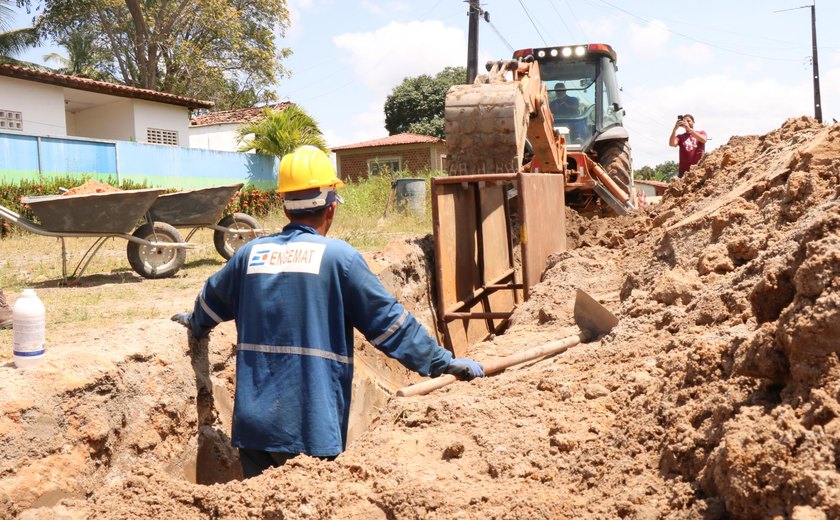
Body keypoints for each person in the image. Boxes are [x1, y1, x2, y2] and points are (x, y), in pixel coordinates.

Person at [171, 145, 484, 479]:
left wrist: (196, 325)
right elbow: (390, 325)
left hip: (255, 426)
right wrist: (440, 362)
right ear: (330, 208)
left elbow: (209, 302)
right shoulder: (340, 260)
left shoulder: (251, 255)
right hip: (312, 425)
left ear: (284, 205)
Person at [669, 114, 707, 178]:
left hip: (698, 170)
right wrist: (675, 129)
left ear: (693, 122)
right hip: (683, 172)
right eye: (684, 121)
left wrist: (690, 129)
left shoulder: (701, 132)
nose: (687, 123)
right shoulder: (680, 137)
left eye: (688, 121)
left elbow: (703, 140)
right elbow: (672, 144)